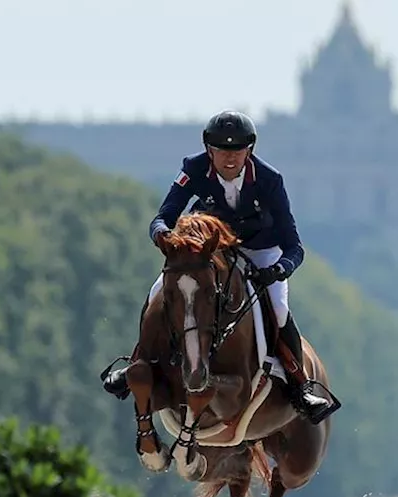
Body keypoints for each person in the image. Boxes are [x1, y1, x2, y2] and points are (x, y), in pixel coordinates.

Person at [101, 109, 336, 423]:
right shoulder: (193, 169)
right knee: (160, 289)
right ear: (209, 150)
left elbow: (294, 246)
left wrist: (279, 269)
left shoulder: (269, 180)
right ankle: (136, 360)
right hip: (210, 250)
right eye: (222, 151)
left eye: (237, 151)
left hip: (259, 251)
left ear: (249, 151)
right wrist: (162, 233)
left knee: (278, 308)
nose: (230, 159)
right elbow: (165, 214)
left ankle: (300, 384)